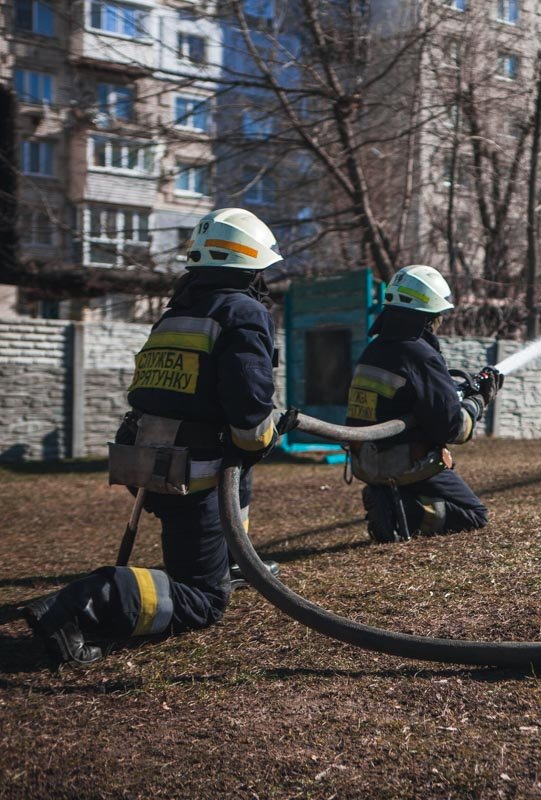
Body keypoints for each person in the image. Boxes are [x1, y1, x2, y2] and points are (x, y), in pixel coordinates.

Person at [21, 208, 284, 667]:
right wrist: (264, 437)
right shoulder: (244, 312)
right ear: (252, 265)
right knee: (203, 600)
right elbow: (249, 409)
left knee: (233, 489)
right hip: (196, 475)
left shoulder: (177, 312)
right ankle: (87, 602)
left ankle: (230, 559)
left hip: (149, 461)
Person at [345, 265, 502, 542]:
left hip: (367, 462)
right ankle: (400, 514)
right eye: (439, 315)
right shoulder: (420, 355)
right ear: (428, 316)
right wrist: (479, 401)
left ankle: (384, 496)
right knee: (474, 514)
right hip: (405, 464)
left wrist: (455, 395)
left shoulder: (374, 349)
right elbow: (451, 428)